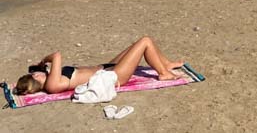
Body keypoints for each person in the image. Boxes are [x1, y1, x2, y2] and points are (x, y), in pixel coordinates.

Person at [15, 36, 183, 95]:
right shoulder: (52, 84)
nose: (39, 72)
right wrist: (43, 61)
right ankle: (163, 73)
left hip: (107, 68)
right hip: (114, 76)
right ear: (35, 77)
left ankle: (165, 64)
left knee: (141, 43)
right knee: (144, 41)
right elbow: (57, 55)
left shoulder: (51, 80)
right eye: (35, 73)